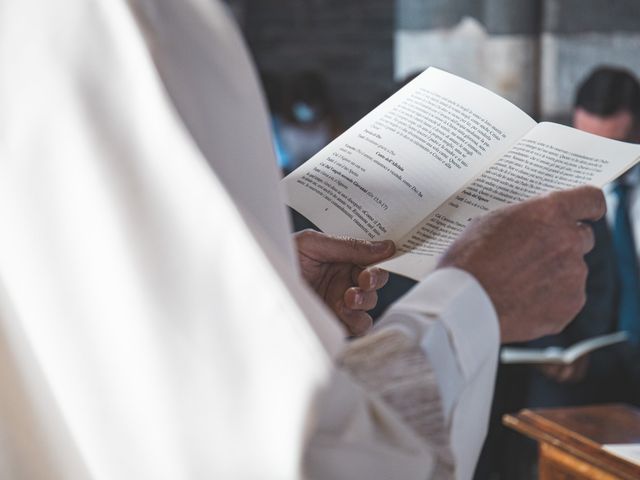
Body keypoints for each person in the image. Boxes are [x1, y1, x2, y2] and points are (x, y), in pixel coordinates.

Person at [0, 1, 604, 479]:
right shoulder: (128, 25)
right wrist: (475, 297)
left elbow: (105, 325)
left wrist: (269, 296)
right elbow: (287, 458)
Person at [477, 66, 640, 480]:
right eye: (590, 144)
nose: (602, 161)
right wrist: (551, 348)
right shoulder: (550, 192)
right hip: (574, 372)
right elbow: (522, 272)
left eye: (616, 147)